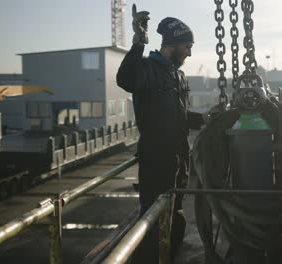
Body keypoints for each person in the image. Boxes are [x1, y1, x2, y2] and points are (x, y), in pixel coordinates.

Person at [116, 4, 205, 263]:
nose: (189, 52)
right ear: (172, 45)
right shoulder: (146, 70)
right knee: (153, 221)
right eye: (186, 46)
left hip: (178, 160)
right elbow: (126, 79)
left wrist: (206, 119)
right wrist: (138, 42)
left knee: (174, 217)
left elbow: (178, 116)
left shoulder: (177, 75)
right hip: (157, 161)